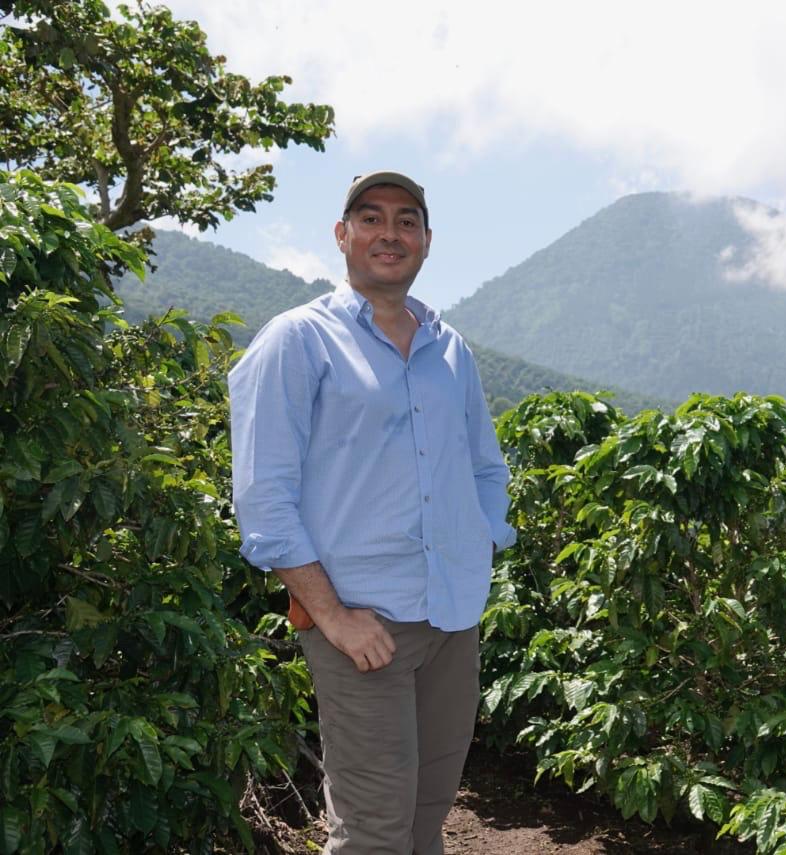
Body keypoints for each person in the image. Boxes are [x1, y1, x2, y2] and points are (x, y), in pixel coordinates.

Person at [229, 170, 516, 854]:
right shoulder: (298, 340)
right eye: (371, 217)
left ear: (426, 240)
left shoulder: (453, 350)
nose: (390, 232)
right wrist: (330, 614)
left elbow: (484, 466)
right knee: (374, 832)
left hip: (452, 619)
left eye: (407, 219)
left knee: (425, 818)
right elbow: (265, 494)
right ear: (342, 234)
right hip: (363, 628)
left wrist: (481, 546)